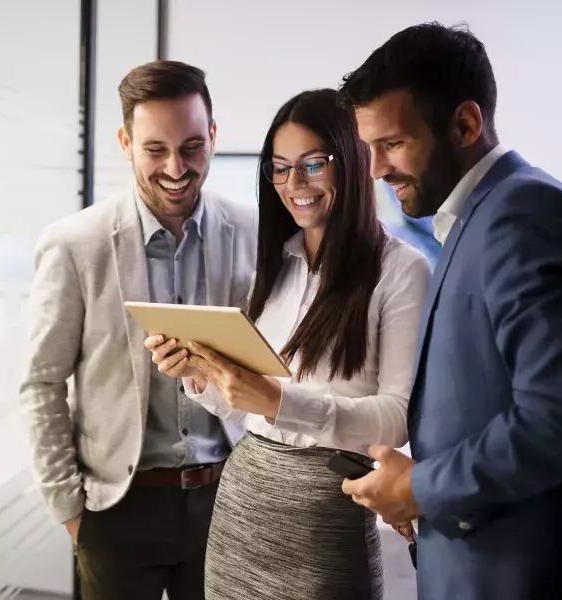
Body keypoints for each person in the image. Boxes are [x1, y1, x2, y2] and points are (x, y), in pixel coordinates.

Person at [337, 22, 562, 600]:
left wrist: (422, 488)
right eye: (369, 149)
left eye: (393, 144)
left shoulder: (525, 212)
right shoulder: (472, 218)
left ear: (465, 124)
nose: (376, 169)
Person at [146, 88, 430, 600]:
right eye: (279, 168)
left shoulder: (402, 270)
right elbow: (244, 409)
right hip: (244, 503)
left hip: (327, 511)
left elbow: (397, 418)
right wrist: (199, 375)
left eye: (312, 165)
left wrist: (278, 402)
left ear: (352, 161)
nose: (293, 184)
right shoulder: (277, 263)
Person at [18, 60, 257, 600]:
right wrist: (71, 512)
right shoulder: (74, 244)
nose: (176, 166)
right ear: (125, 142)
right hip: (117, 511)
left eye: (192, 146)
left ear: (214, 138)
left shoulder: (253, 231)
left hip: (229, 501)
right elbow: (41, 383)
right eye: (155, 149)